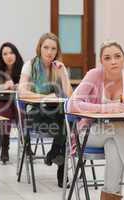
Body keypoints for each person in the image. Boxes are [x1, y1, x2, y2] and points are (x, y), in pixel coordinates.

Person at [67, 40, 124, 200]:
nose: (113, 61)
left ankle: (110, 196)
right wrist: (105, 109)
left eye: (117, 56)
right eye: (108, 58)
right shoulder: (93, 75)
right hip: (88, 135)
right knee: (118, 127)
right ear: (101, 62)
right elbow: (72, 105)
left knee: (114, 143)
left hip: (116, 137)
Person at [18, 32, 72, 188]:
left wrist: (63, 74)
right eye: (46, 47)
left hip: (56, 115)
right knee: (65, 124)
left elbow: (70, 96)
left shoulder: (59, 67)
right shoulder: (30, 65)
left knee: (67, 118)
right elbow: (22, 92)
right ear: (39, 48)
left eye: (53, 48)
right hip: (35, 113)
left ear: (57, 51)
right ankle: (57, 160)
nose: (49, 52)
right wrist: (45, 98)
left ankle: (54, 153)